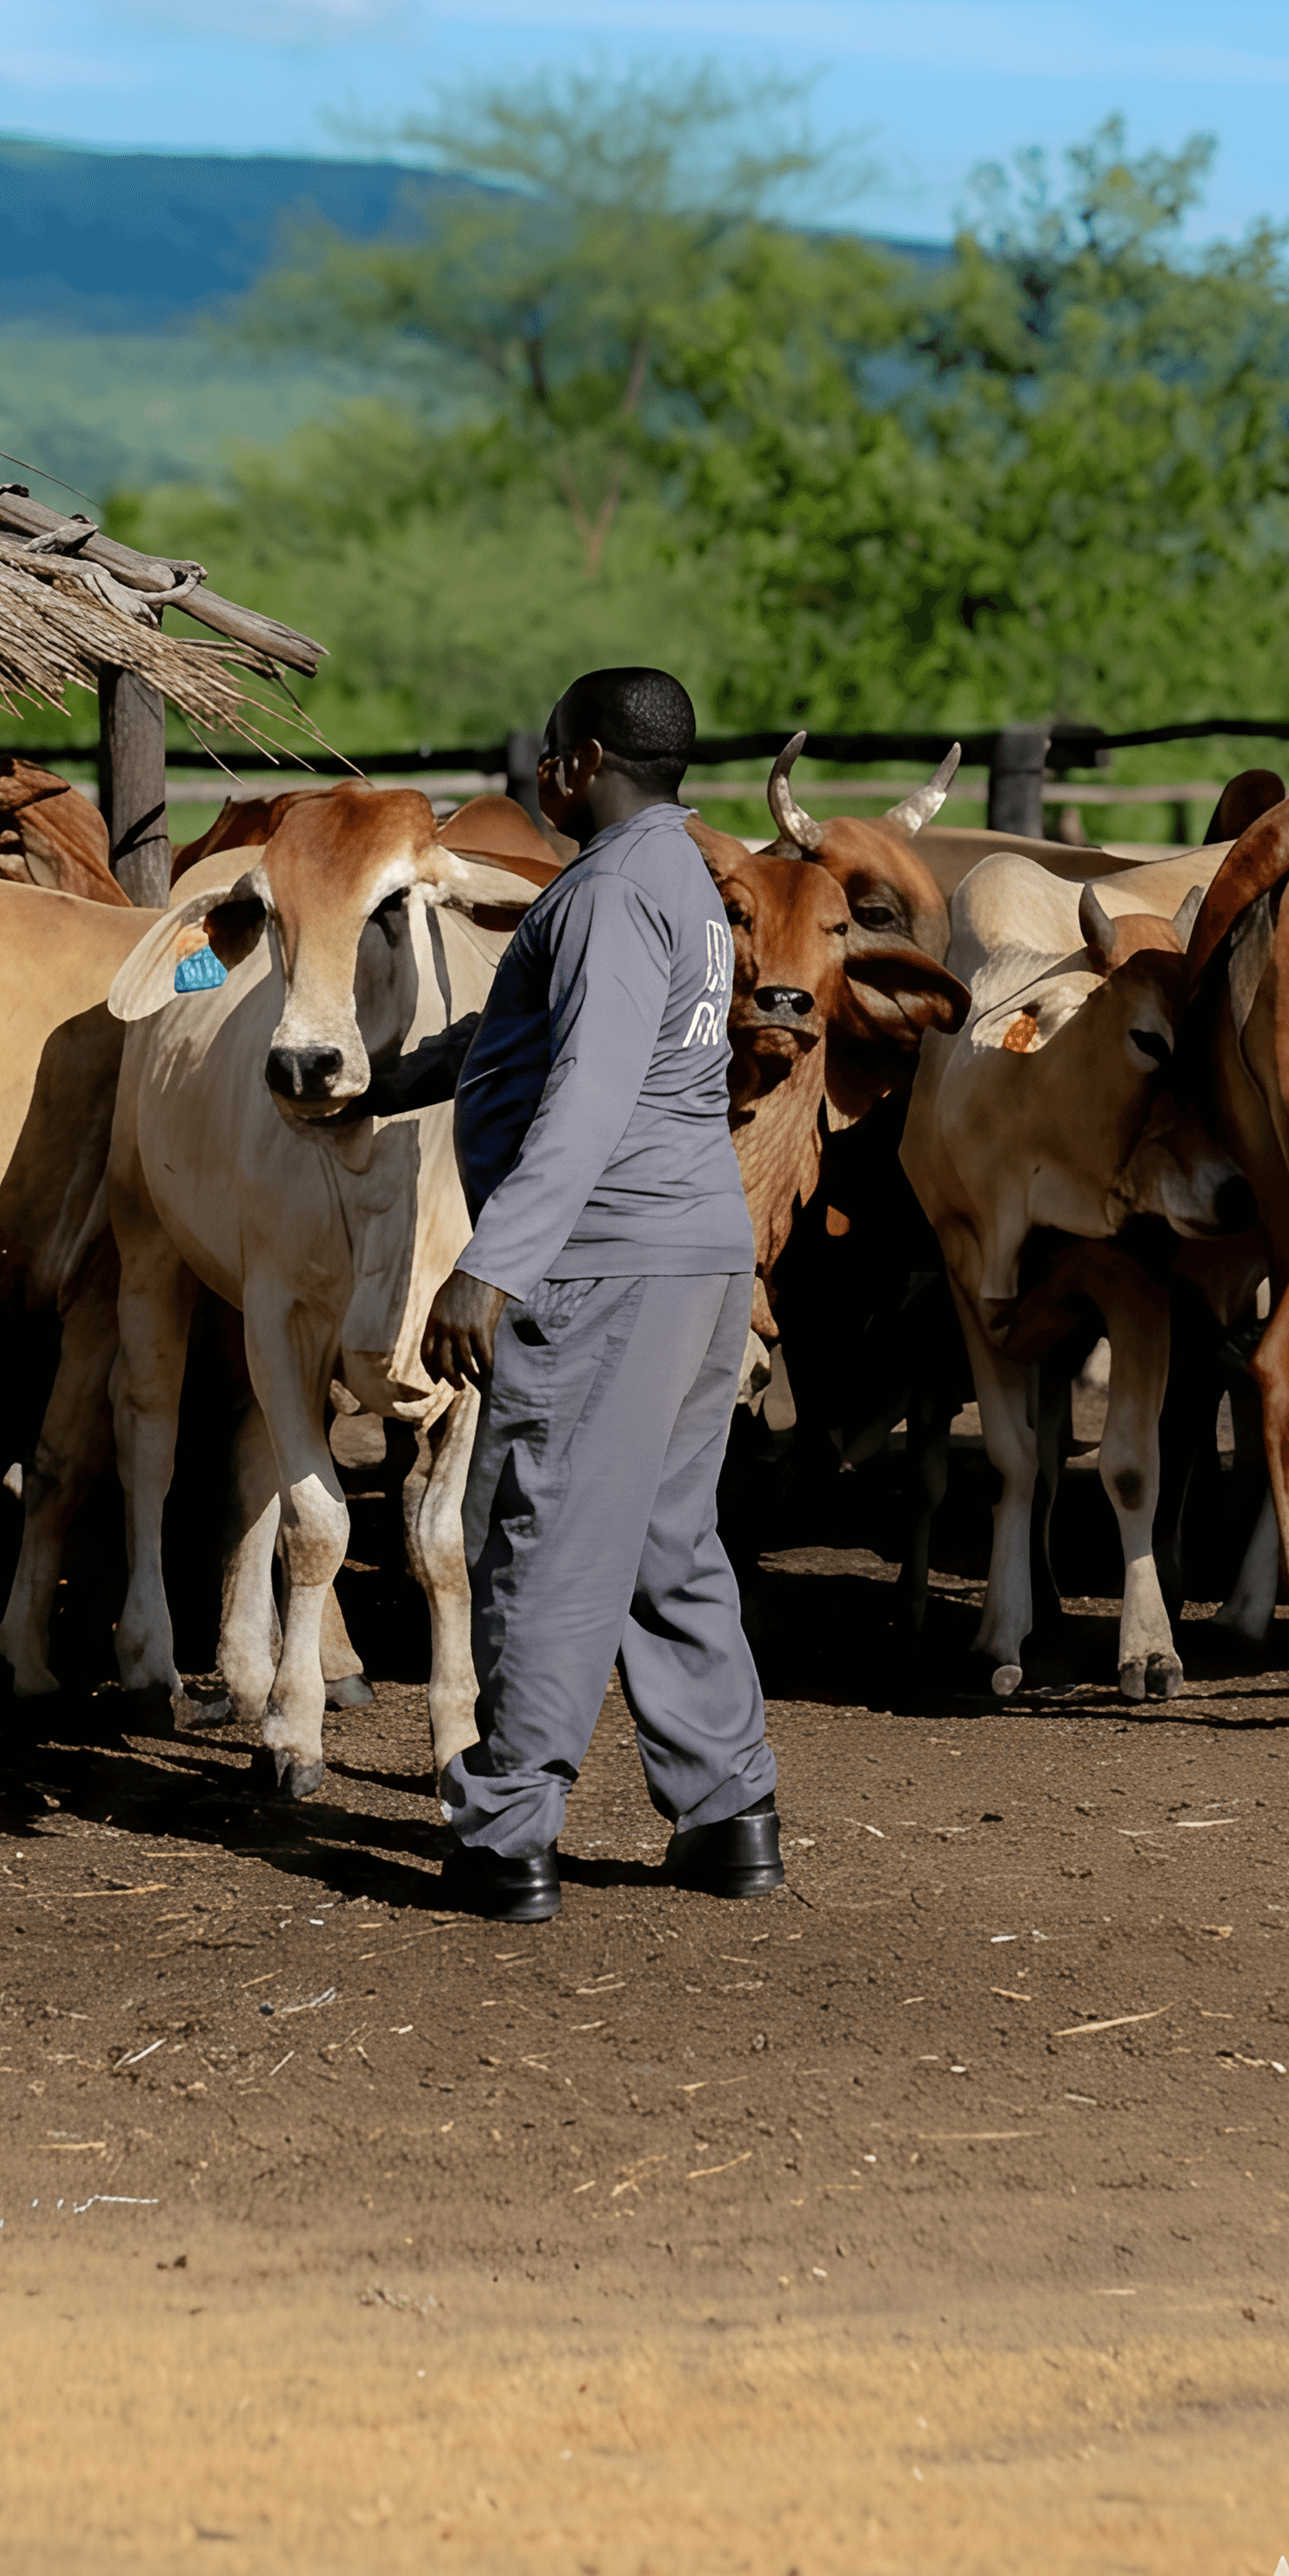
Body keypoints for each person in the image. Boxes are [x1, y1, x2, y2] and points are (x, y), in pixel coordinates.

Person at [418, 665, 783, 1923]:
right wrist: (397, 1081)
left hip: (609, 1261)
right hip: (692, 1254)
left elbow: (590, 1089)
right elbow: (559, 1041)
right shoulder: (680, 874)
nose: (535, 781)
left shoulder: (614, 890)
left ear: (580, 761)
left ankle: (509, 1833)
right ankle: (729, 1813)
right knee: (665, 1542)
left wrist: (492, 1261)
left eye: (546, 760)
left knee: (548, 1532)